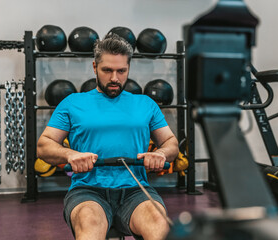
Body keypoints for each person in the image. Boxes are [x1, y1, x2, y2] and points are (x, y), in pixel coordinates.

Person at [37, 34, 179, 240]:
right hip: (87, 191)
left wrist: (161, 154)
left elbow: (170, 143)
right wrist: (70, 155)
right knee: (89, 222)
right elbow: (44, 145)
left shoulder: (145, 104)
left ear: (129, 68)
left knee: (159, 224)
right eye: (107, 70)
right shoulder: (72, 102)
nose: (114, 78)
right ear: (95, 67)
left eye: (121, 71)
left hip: (135, 191)